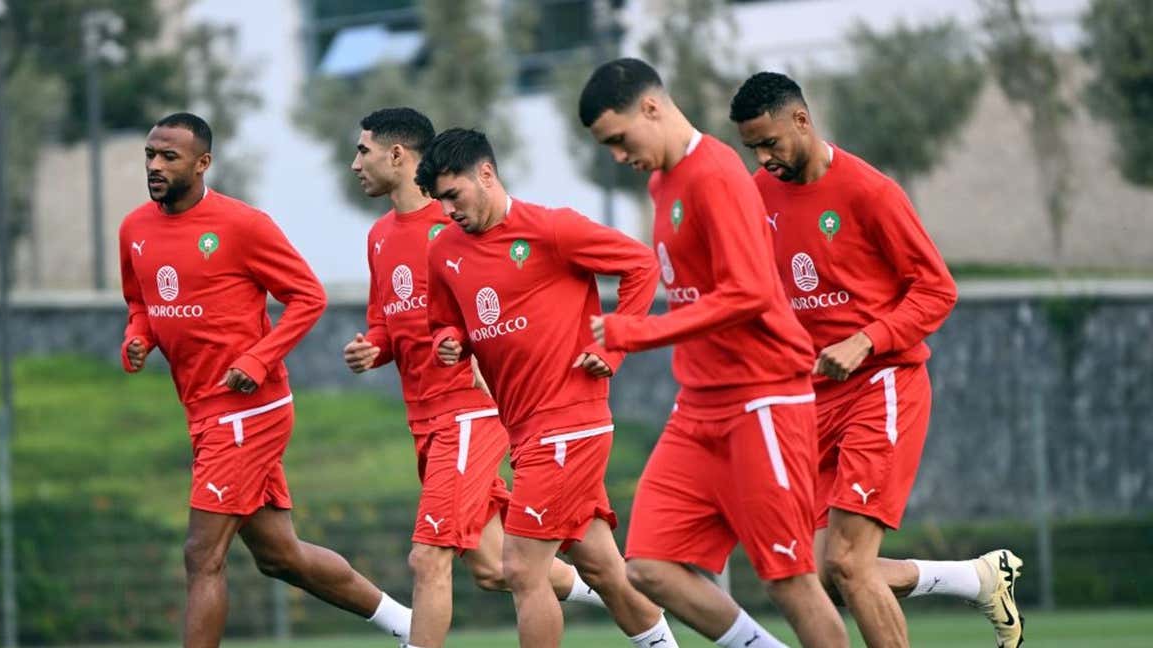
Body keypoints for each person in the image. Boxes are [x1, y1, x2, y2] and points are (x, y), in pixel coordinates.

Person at [729, 71, 1023, 648]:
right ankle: (977, 579)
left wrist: (866, 339)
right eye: (753, 148)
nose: (764, 158)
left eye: (770, 142)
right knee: (809, 574)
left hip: (881, 385)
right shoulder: (755, 198)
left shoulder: (871, 192)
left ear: (802, 121)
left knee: (848, 562)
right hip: (807, 402)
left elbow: (937, 290)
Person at [579, 58, 850, 648]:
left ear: (652, 108)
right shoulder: (662, 183)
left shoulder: (716, 175)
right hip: (698, 408)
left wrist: (641, 331)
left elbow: (750, 292)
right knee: (647, 566)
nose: (618, 157)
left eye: (619, 140)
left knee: (790, 580)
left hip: (764, 401)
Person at [119, 113, 411, 647]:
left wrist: (257, 359)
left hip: (249, 410)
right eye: (150, 155)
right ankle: (410, 626)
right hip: (203, 411)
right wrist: (139, 336)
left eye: (169, 157)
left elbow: (308, 296)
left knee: (201, 555)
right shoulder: (134, 229)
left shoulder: (241, 225)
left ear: (203, 164)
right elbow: (140, 300)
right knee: (280, 556)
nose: (155, 166)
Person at [342, 108, 605, 647]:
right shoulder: (378, 236)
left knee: (427, 557)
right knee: (495, 567)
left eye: (363, 151)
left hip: (470, 411)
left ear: (398, 155)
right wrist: (374, 348)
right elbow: (388, 320)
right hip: (424, 419)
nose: (354, 163)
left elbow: (499, 316)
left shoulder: (459, 227)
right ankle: (615, 589)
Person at [419, 127, 678, 648]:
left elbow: (640, 265)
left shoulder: (552, 228)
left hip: (570, 422)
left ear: (486, 175)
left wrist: (613, 347)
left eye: (454, 195)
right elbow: (443, 320)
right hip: (524, 429)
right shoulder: (445, 249)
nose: (448, 210)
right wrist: (451, 341)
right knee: (603, 567)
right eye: (440, 200)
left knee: (519, 566)